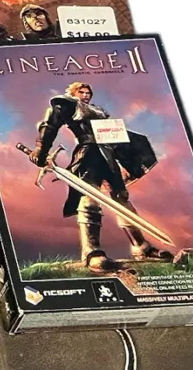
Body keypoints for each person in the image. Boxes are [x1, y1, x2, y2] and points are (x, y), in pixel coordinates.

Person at [31, 80, 168, 272]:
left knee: (121, 197)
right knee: (90, 195)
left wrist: (129, 159)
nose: (86, 95)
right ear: (73, 92)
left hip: (108, 154)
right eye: (82, 91)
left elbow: (114, 135)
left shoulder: (98, 111)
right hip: (88, 154)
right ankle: (91, 251)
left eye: (88, 92)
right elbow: (50, 124)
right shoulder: (67, 104)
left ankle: (141, 247)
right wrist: (41, 148)